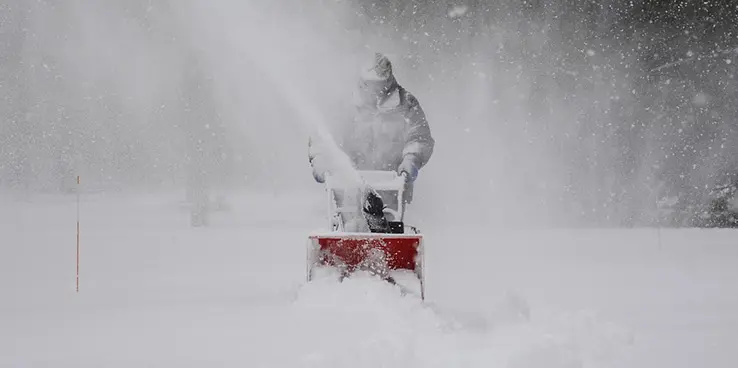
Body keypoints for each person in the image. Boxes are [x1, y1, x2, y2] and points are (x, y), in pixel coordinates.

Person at [308, 53, 434, 229]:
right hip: (347, 186)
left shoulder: (406, 104)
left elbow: (419, 136)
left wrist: (411, 160)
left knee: (386, 229)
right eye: (372, 86)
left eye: (382, 85)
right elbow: (324, 136)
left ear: (389, 81)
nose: (377, 91)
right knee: (352, 228)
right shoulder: (343, 105)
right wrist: (321, 160)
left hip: (392, 185)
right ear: (362, 82)